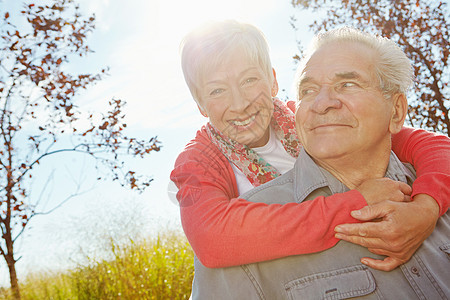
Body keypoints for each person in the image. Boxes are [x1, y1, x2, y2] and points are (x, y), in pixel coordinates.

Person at [189, 26, 450, 299]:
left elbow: (434, 144)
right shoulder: (236, 241)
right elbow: (210, 239)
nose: (322, 103)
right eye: (309, 90)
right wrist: (356, 203)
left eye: (347, 84)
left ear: (396, 111)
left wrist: (426, 206)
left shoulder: (435, 182)